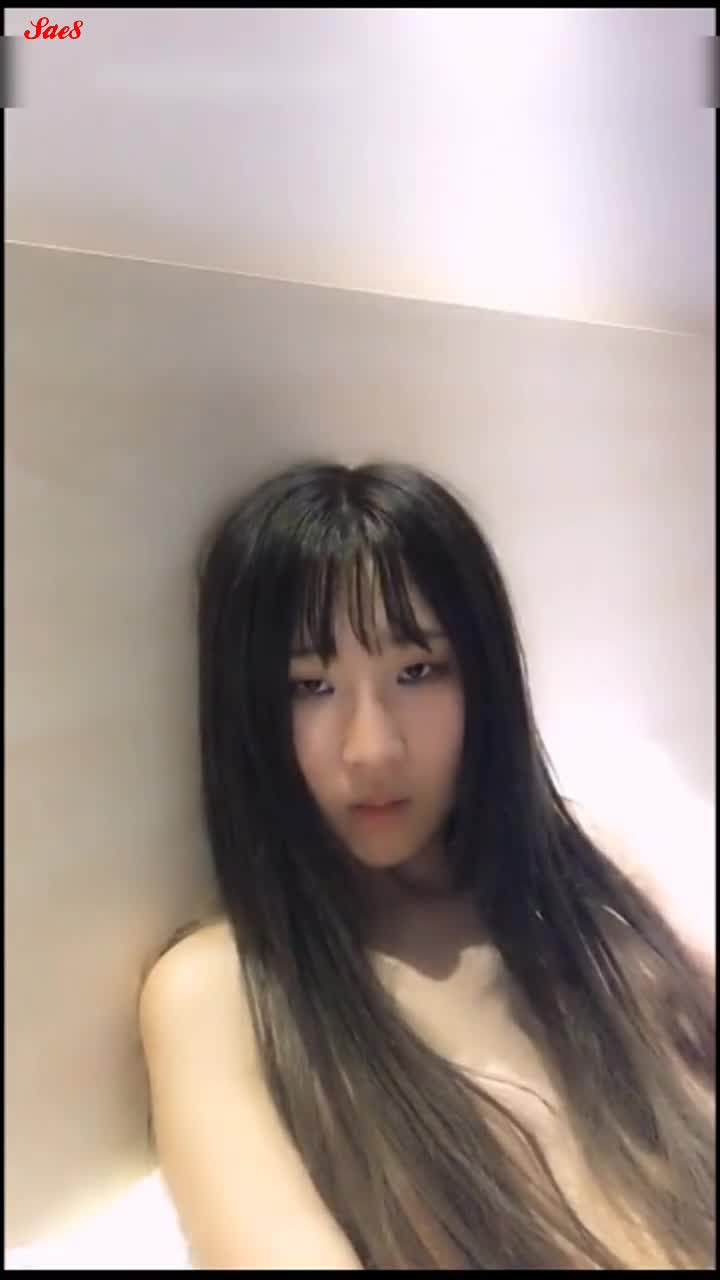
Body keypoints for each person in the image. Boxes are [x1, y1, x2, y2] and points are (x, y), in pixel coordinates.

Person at [139, 458, 715, 1270]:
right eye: (309, 686)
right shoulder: (221, 994)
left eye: (417, 672)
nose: (373, 747)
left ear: (483, 679)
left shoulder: (592, 882)